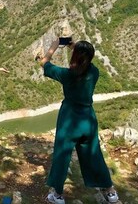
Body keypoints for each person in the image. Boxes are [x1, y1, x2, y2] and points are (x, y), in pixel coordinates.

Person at [39, 38, 119, 204]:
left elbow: (44, 63)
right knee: (94, 154)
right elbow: (86, 56)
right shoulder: (93, 72)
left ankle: (58, 195)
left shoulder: (65, 74)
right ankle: (110, 191)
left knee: (62, 154)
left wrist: (54, 45)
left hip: (69, 118)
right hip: (88, 119)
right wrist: (73, 44)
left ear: (74, 56)